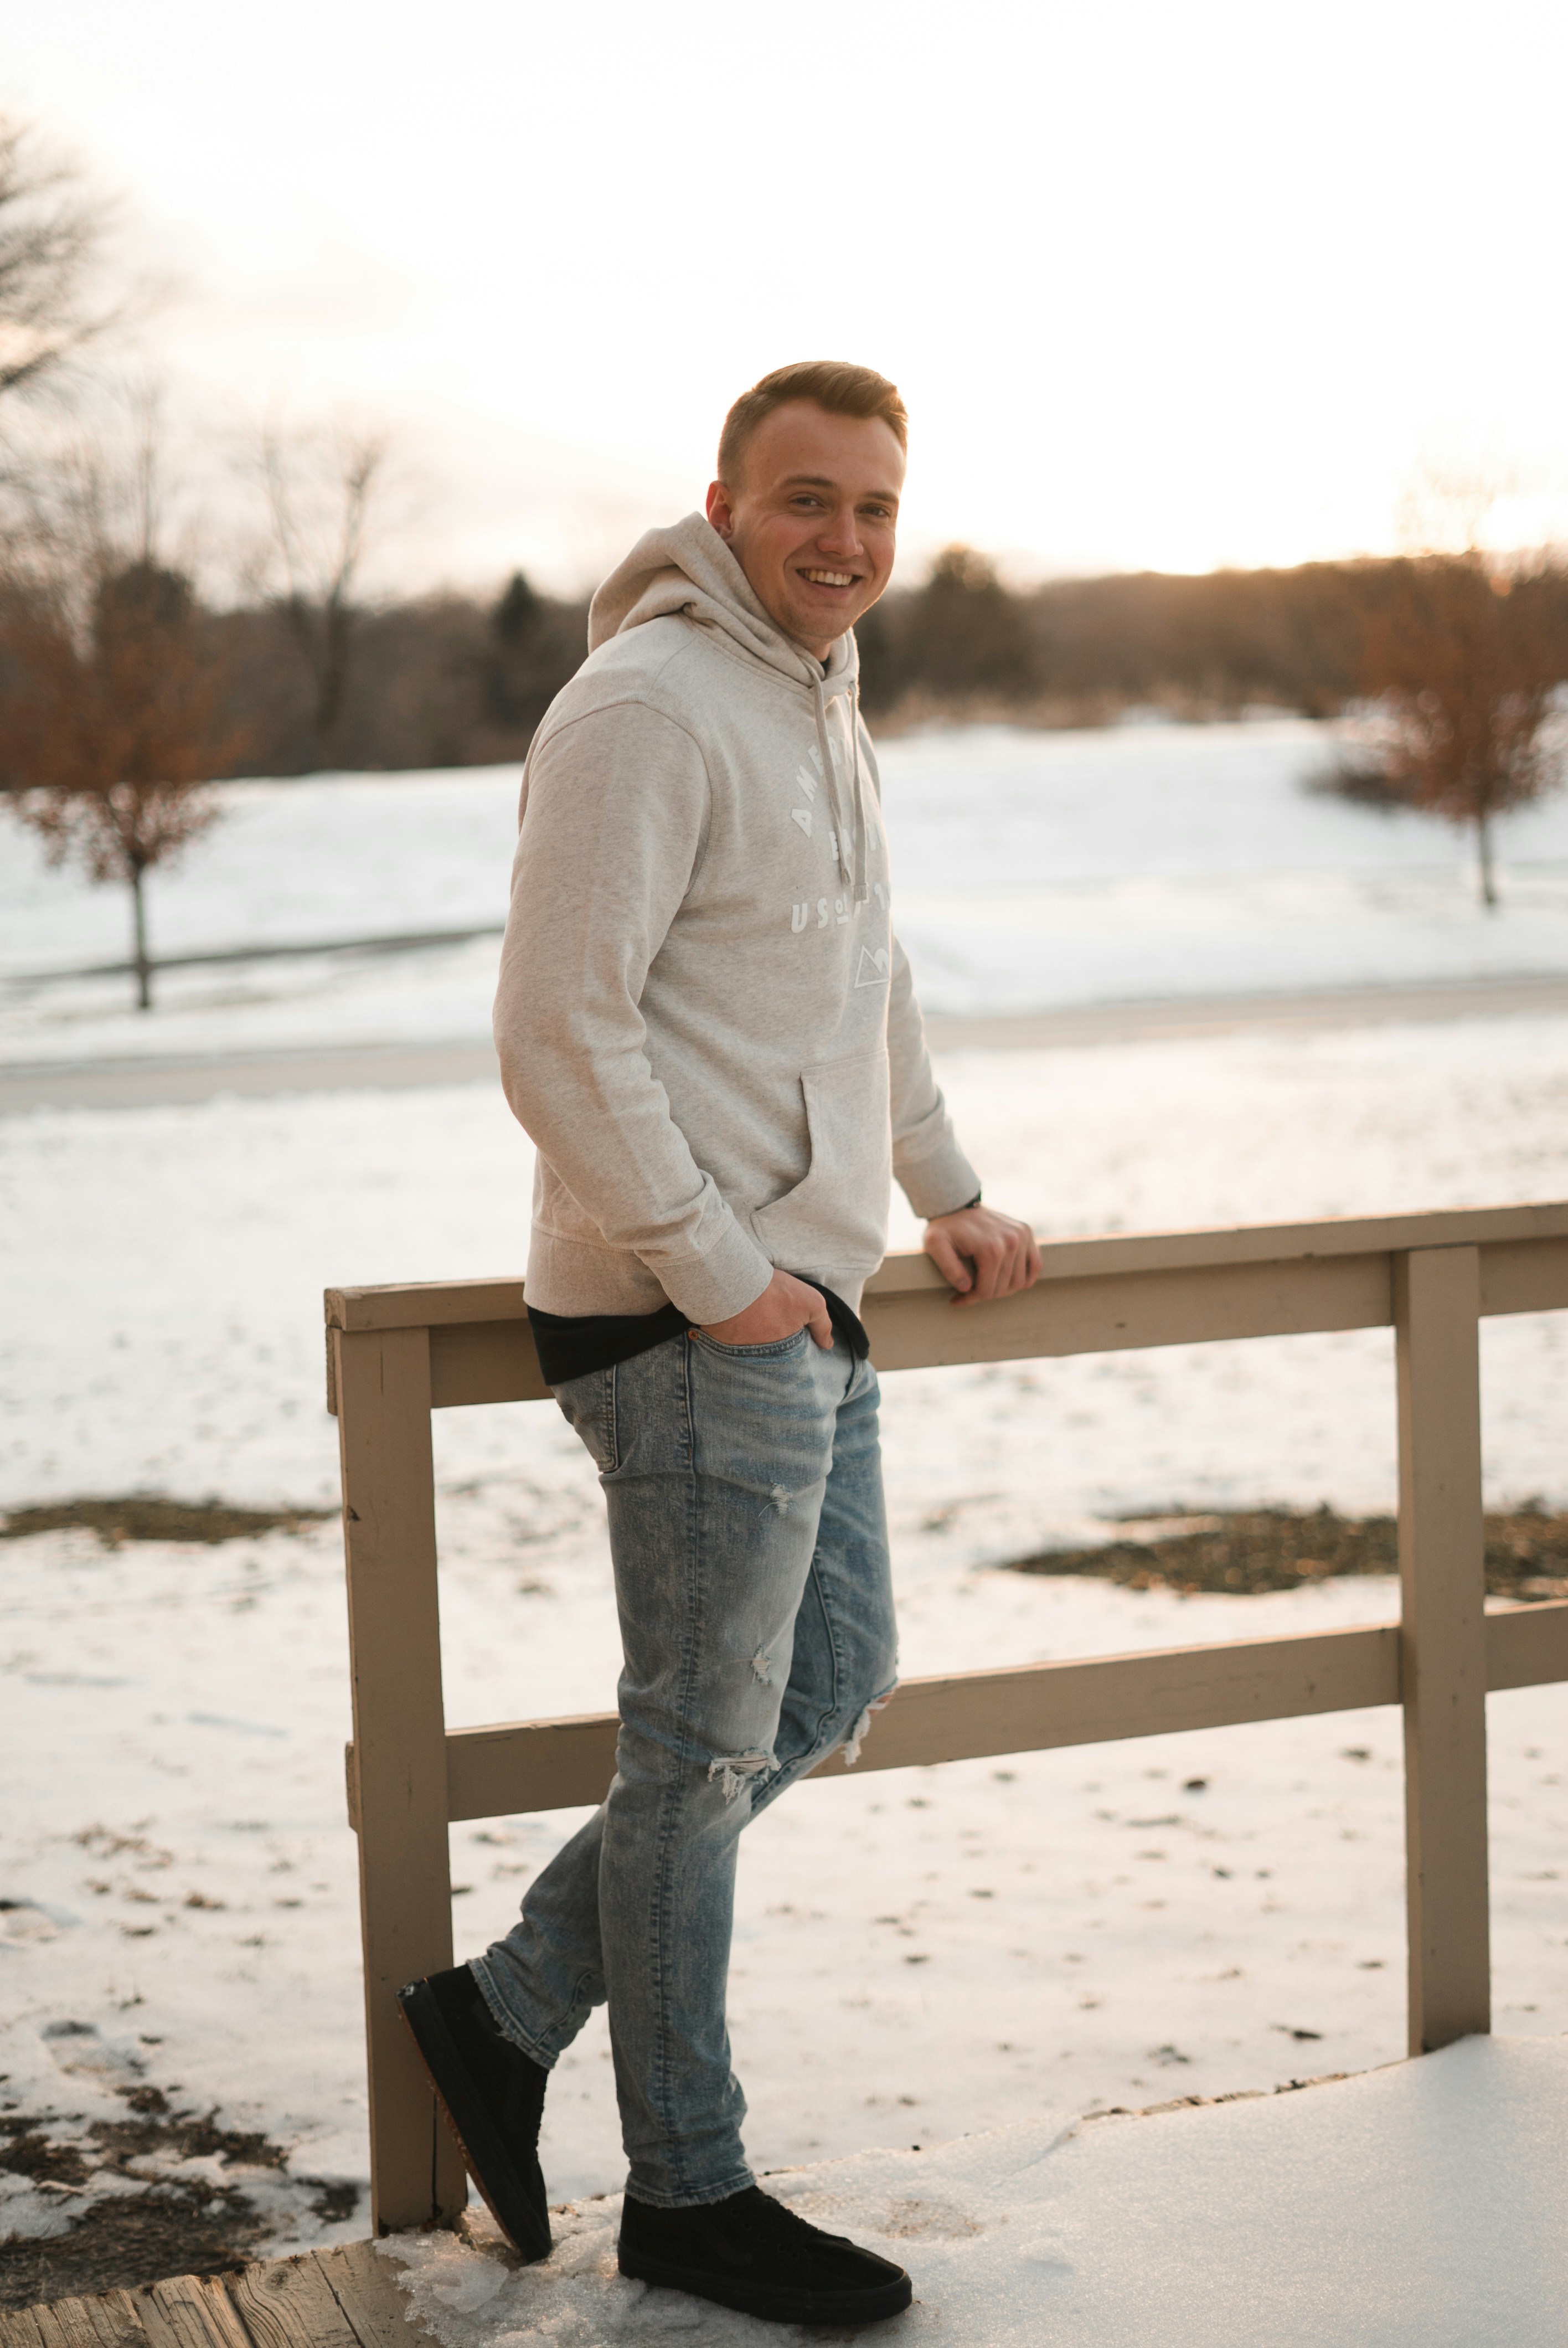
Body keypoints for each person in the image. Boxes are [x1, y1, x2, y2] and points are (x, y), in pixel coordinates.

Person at [398, 360, 1041, 2329]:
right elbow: (555, 1027)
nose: (844, 539)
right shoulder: (647, 706)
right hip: (690, 1316)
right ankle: (688, 2191)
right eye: (806, 500)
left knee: (828, 1681)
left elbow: (864, 972)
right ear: (724, 505)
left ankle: (505, 2011)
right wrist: (715, 1273)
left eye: (875, 507)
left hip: (802, 1297)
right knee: (695, 1751)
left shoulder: (820, 696)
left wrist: (943, 1184)